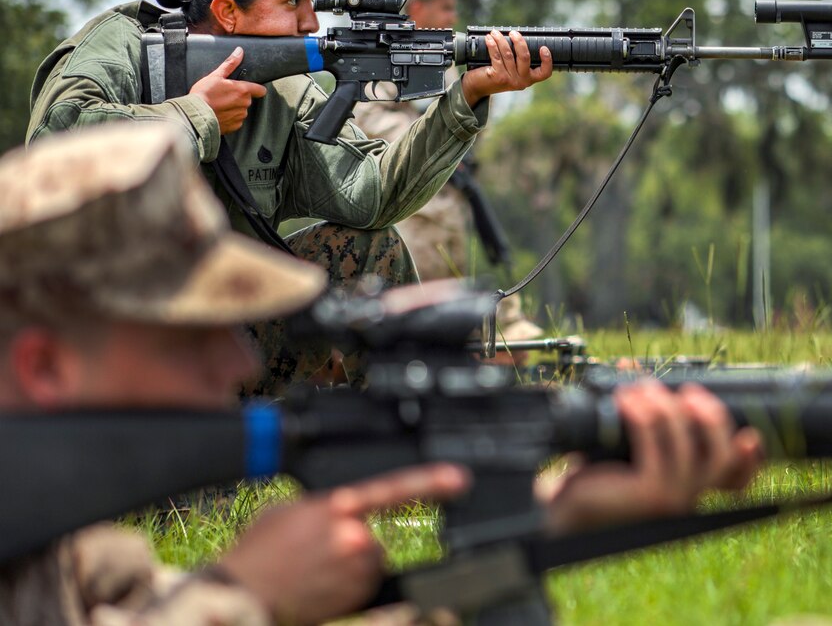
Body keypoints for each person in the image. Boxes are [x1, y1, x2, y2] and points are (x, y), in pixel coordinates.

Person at [0, 123, 763, 625]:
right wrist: (242, 597)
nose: (238, 360)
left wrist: (556, 522)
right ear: (45, 366)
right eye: (192, 335)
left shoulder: (72, 561)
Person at [24, 0, 553, 393]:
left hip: (227, 333)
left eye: (313, 2)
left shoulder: (286, 90)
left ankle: (407, 441)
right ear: (227, 12)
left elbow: (367, 195)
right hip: (104, 341)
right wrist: (195, 116)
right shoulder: (119, 45)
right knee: (187, 493)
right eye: (294, 2)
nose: (310, 24)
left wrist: (468, 97)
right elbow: (55, 147)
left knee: (373, 247)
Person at [353, 0, 545, 350]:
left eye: (453, 6)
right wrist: (429, 139)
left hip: (449, 199)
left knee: (453, 301)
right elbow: (368, 118)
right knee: (414, 306)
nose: (452, 16)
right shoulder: (389, 54)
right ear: (416, 9)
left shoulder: (445, 59)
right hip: (411, 201)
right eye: (443, 6)